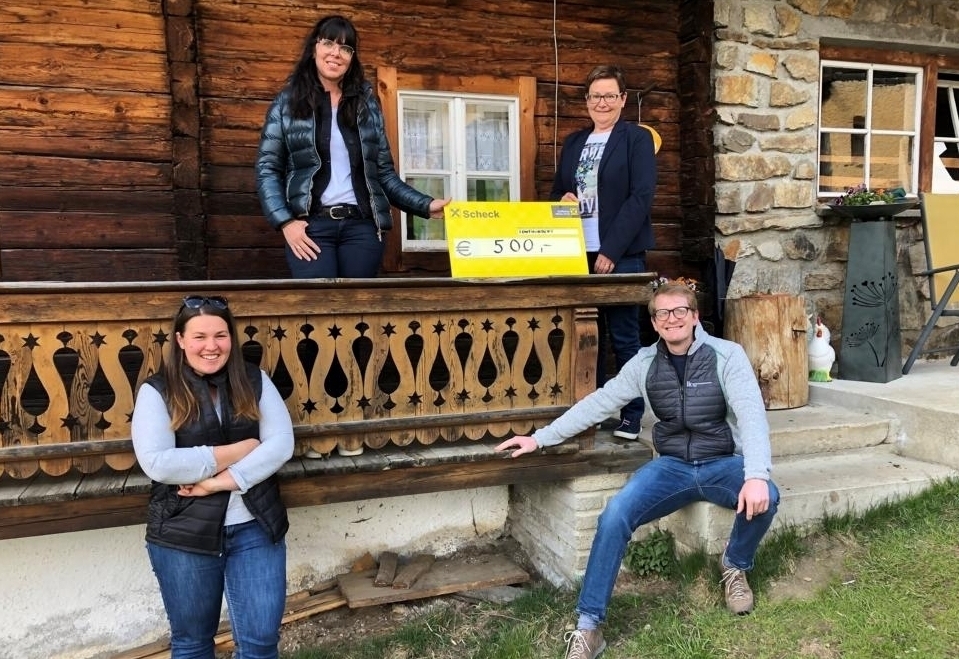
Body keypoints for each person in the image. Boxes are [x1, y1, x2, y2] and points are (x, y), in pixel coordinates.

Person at [496, 282, 780, 659]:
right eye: (663, 313)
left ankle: (734, 565)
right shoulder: (645, 363)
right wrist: (540, 438)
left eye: (680, 311)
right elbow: (598, 403)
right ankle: (589, 627)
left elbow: (751, 416)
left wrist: (756, 475)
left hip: (722, 462)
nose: (672, 319)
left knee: (769, 497)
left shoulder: (726, 356)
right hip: (672, 467)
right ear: (655, 323)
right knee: (614, 515)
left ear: (695, 317)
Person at [131, 295, 295, 659]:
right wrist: (239, 450)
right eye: (200, 336)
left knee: (261, 643)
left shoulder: (254, 380)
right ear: (180, 340)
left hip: (255, 527)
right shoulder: (157, 391)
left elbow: (281, 443)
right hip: (183, 533)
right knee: (192, 644)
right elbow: (158, 463)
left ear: (231, 338)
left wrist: (219, 481)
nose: (211, 346)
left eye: (220, 335)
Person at [255, 14, 450, 278]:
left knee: (359, 311)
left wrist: (425, 205)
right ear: (314, 48)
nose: (336, 53)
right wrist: (286, 222)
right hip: (312, 228)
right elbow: (268, 168)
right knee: (319, 311)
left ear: (352, 58)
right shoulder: (287, 103)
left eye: (346, 48)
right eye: (329, 44)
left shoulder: (365, 105)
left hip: (362, 230)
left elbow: (383, 173)